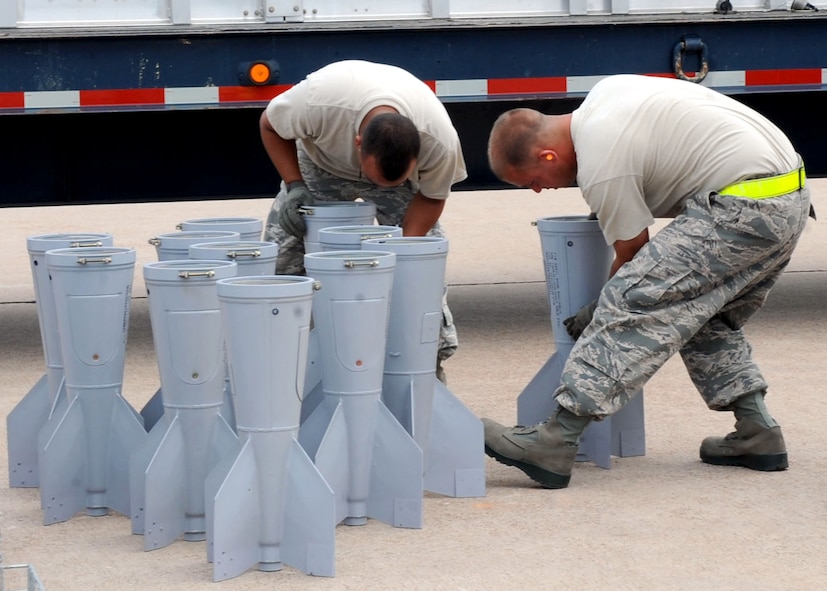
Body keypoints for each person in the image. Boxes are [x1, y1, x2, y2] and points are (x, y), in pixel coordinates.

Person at [484, 74, 815, 489]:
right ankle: (757, 431)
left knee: (633, 299)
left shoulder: (601, 161)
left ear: (548, 156)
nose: (537, 191)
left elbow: (631, 257)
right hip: (788, 197)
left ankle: (555, 440)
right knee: (697, 310)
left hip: (744, 206)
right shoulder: (605, 97)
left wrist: (598, 311)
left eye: (530, 180)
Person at [259, 60, 467, 383]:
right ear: (358, 142)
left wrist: (405, 250)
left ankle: (426, 362)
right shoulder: (320, 101)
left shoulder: (439, 138)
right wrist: (294, 184)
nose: (375, 189)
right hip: (321, 164)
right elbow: (269, 125)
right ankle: (279, 357)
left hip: (405, 188)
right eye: (376, 179)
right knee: (281, 254)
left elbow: (433, 195)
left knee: (423, 268)